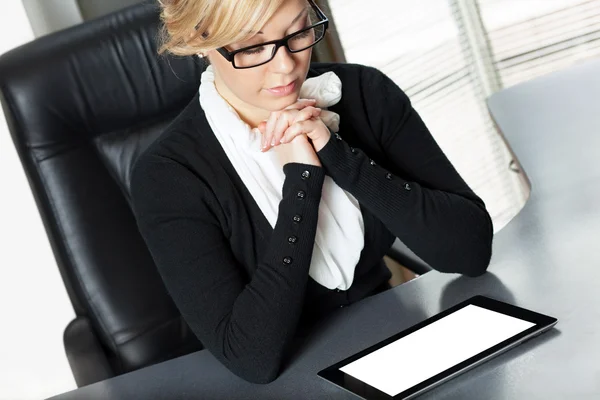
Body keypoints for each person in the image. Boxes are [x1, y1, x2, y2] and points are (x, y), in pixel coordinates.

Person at [129, 0, 494, 384]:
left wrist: (336, 153)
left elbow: (471, 251)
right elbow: (252, 358)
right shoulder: (168, 177)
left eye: (299, 32)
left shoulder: (365, 94)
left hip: (402, 352)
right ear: (197, 40)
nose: (286, 65)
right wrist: (302, 180)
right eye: (253, 47)